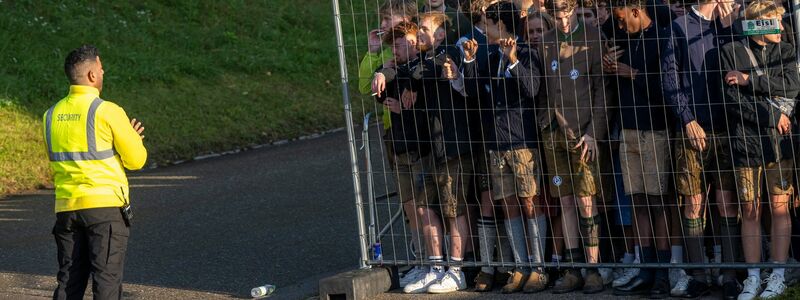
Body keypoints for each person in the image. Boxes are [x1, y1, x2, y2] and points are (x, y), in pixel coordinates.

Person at [45, 45, 147, 300]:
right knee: (106, 282)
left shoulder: (50, 115)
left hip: (67, 209)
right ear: (92, 75)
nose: (103, 71)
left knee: (69, 281)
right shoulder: (107, 111)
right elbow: (136, 160)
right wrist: (134, 139)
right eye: (100, 67)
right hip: (105, 210)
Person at [463, 0, 545, 293]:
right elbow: (474, 93)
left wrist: (513, 61)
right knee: (508, 202)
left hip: (521, 140)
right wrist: (470, 62)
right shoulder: (489, 55)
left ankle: (538, 268)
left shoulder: (526, 53)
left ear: (501, 25)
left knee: (529, 201)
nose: (483, 31)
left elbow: (532, 89)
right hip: (496, 143)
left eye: (487, 25)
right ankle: (520, 267)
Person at [719, 1, 800, 298]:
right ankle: (753, 277)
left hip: (779, 146)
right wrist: (771, 116)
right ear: (757, 24)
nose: (780, 27)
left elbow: (792, 86)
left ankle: (777, 274)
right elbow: (732, 99)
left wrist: (750, 80)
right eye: (774, 21)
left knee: (780, 208)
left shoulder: (787, 50)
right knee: (750, 211)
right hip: (745, 142)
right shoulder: (731, 52)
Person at [660, 0, 739, 297]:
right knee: (693, 203)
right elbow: (669, 78)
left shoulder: (729, 26)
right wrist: (687, 119)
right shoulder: (679, 27)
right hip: (693, 130)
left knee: (727, 201)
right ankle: (698, 274)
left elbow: (739, 67)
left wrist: (730, 29)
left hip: (726, 128)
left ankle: (729, 274)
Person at [537, 0, 609, 294]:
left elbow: (602, 88)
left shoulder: (593, 36)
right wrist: (544, 120)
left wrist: (594, 132)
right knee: (564, 200)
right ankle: (573, 267)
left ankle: (593, 269)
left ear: (575, 9)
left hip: (583, 133)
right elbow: (541, 84)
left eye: (567, 14)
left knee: (586, 201)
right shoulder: (545, 40)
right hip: (552, 132)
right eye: (557, 16)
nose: (563, 21)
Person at [402, 11, 474, 294]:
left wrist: (400, 73)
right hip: (430, 148)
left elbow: (422, 71)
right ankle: (434, 267)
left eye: (424, 29)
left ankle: (457, 271)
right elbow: (412, 71)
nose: (418, 34)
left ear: (441, 34)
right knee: (424, 206)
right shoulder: (423, 59)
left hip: (453, 145)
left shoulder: (447, 55)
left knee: (454, 208)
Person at [604, 0, 673, 297]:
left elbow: (667, 88)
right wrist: (608, 62)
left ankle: (663, 270)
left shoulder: (662, 37)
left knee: (658, 203)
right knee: (637, 202)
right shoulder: (622, 38)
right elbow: (605, 26)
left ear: (636, 11)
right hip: (627, 130)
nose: (619, 27)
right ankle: (645, 268)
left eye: (622, 20)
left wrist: (631, 74)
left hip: (654, 130)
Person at [370, 21, 435, 289]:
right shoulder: (394, 68)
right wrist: (382, 72)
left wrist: (404, 110)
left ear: (413, 43)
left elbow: (430, 104)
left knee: (426, 207)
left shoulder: (424, 65)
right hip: (400, 147)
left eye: (399, 44)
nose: (395, 50)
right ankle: (420, 261)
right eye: (393, 46)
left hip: (423, 147)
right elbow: (381, 89)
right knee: (409, 205)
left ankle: (435, 262)